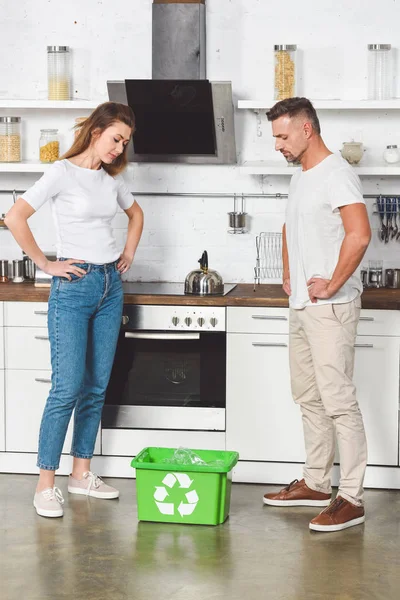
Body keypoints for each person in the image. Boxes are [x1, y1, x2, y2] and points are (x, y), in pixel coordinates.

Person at [5, 102, 144, 518]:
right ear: (97, 129)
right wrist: (46, 265)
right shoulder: (61, 173)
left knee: (96, 387)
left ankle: (81, 473)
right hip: (73, 287)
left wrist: (128, 252)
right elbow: (15, 217)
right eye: (116, 138)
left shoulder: (108, 180)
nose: (119, 149)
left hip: (109, 287)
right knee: (66, 388)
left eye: (125, 143)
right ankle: (45, 483)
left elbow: (136, 214)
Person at [262, 97, 371, 532]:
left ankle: (352, 497)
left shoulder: (338, 174)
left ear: (307, 129)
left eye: (283, 136)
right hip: (302, 307)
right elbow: (291, 225)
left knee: (339, 402)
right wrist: (290, 270)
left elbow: (360, 235)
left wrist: (333, 282)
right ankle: (314, 481)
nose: (278, 146)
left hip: (331, 309)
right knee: (308, 397)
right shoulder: (302, 177)